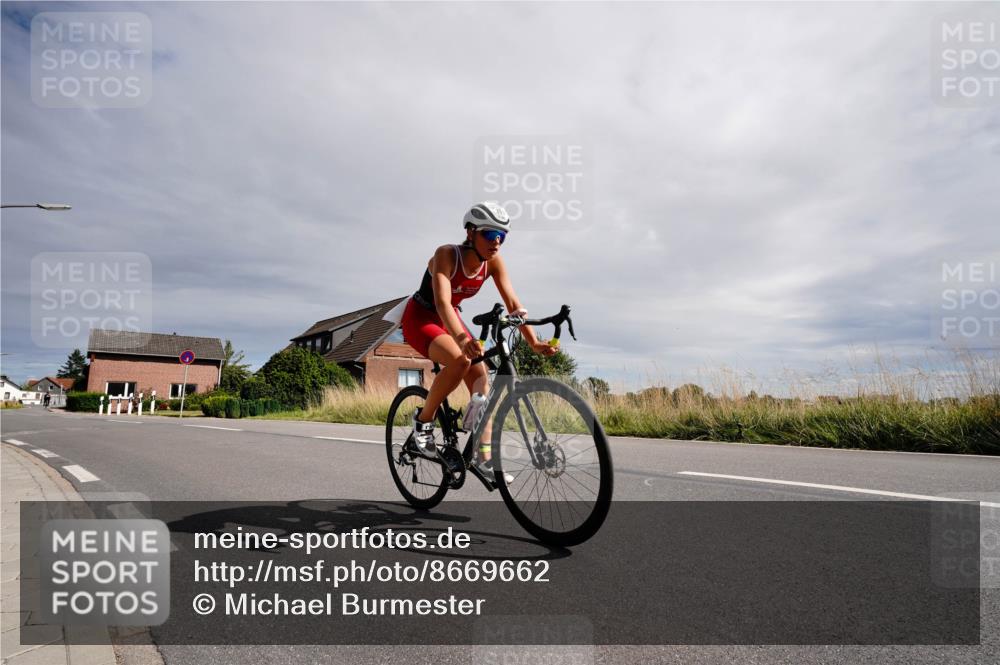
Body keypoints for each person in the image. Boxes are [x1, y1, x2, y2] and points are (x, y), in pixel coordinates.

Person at [399, 202, 557, 480]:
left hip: (451, 319)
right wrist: (462, 338)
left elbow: (513, 303)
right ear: (471, 233)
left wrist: (534, 343)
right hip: (422, 318)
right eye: (489, 235)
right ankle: (423, 423)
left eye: (502, 237)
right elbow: (443, 302)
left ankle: (483, 457)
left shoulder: (493, 263)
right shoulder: (446, 255)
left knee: (481, 378)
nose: (496, 243)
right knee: (462, 360)